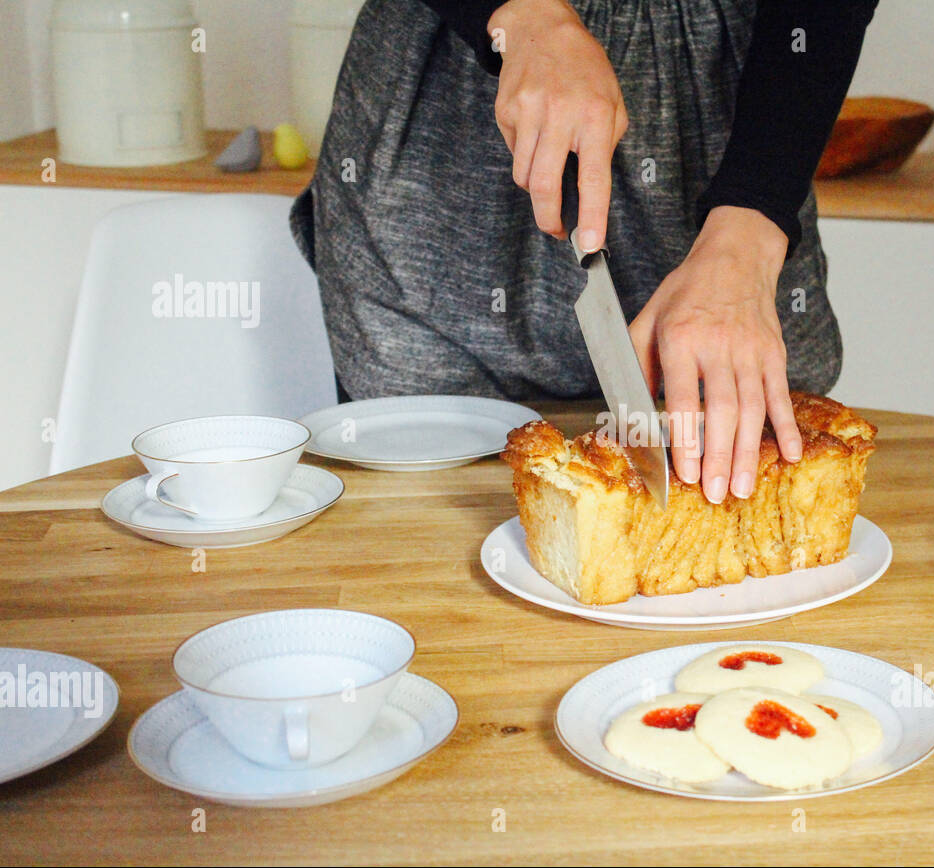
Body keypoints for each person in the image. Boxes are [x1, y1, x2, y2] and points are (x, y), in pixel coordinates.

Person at [290, 0, 877, 503]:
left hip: (741, 128)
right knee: (415, 527)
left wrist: (750, 222)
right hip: (441, 130)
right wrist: (525, 14)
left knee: (753, 453)